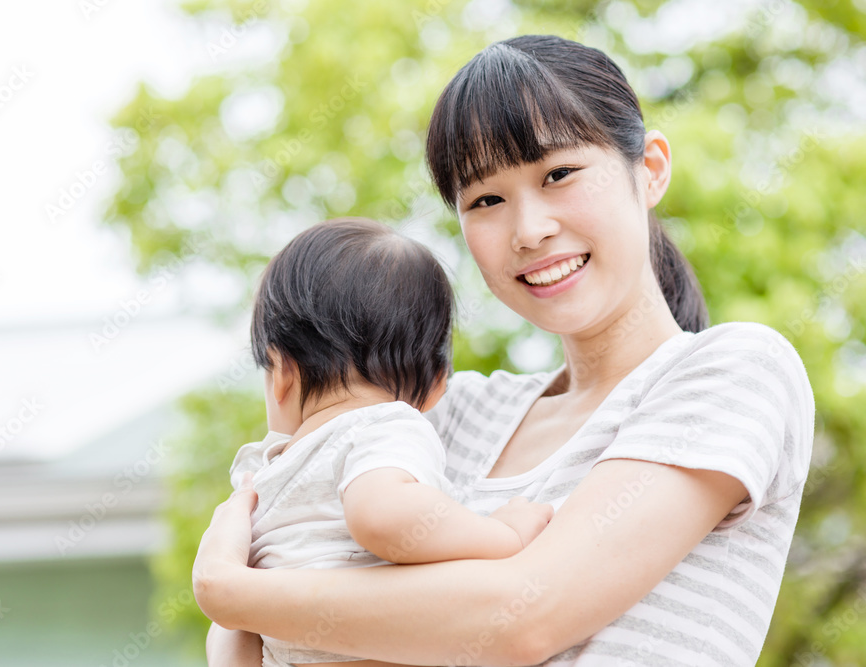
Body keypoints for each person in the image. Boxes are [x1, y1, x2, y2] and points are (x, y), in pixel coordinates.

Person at [194, 35, 815, 667]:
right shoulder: (441, 413)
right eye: (486, 199)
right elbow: (276, 557)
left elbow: (522, 616)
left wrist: (232, 593)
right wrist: (243, 601)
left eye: (559, 174)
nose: (530, 231)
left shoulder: (732, 372)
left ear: (649, 168)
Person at [232, 217, 555, 667]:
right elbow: (382, 516)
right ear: (437, 385)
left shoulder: (261, 473)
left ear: (281, 371)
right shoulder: (388, 426)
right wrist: (503, 533)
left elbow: (232, 624)